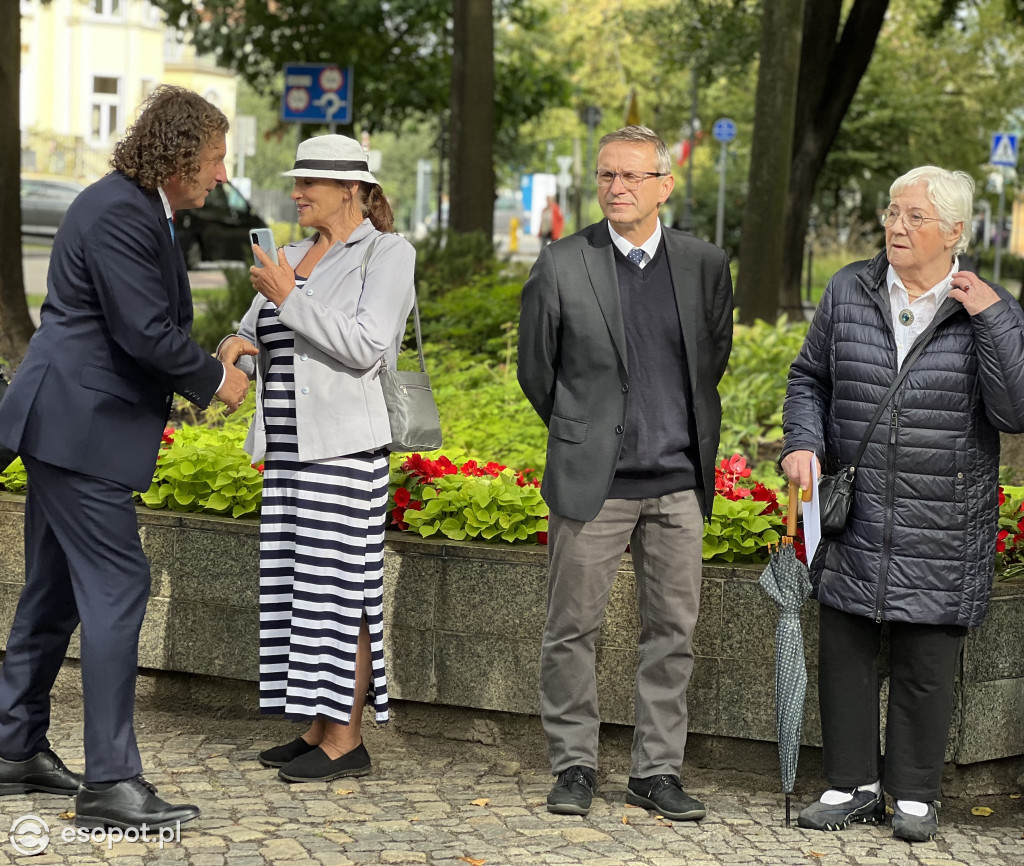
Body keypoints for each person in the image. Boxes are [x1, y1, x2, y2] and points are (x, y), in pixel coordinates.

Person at [0, 86, 249, 829]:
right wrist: (215, 378)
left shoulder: (137, 208)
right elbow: (142, 329)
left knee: (54, 590)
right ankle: (110, 782)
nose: (218, 174)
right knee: (118, 584)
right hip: (79, 427)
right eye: (211, 159)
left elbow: (138, 325)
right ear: (176, 154)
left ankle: (13, 747)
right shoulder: (117, 210)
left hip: (74, 424)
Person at [781, 166, 1024, 842]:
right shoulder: (849, 289)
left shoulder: (988, 306)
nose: (896, 225)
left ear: (953, 232)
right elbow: (810, 377)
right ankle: (851, 784)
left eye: (914, 216)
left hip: (943, 513)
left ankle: (915, 793)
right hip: (857, 507)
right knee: (847, 645)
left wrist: (996, 322)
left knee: (927, 653)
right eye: (892, 211)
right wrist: (802, 443)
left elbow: (1015, 410)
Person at [518, 125, 733, 821]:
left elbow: (711, 362)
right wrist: (585, 432)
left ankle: (656, 771)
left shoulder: (704, 264)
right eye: (607, 176)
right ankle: (574, 765)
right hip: (594, 484)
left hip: (677, 485)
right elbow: (536, 371)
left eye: (632, 177)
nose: (616, 188)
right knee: (570, 630)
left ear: (664, 187)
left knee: (672, 636)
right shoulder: (562, 262)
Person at [217, 134, 415, 784]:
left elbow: (366, 346)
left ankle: (347, 739)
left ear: (351, 190)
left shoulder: (386, 254)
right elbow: (254, 327)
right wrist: (234, 346)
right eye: (297, 182)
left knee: (342, 592)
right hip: (289, 448)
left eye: (310, 184)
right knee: (298, 588)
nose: (297, 193)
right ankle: (315, 726)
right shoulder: (294, 254)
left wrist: (288, 297)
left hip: (345, 451)